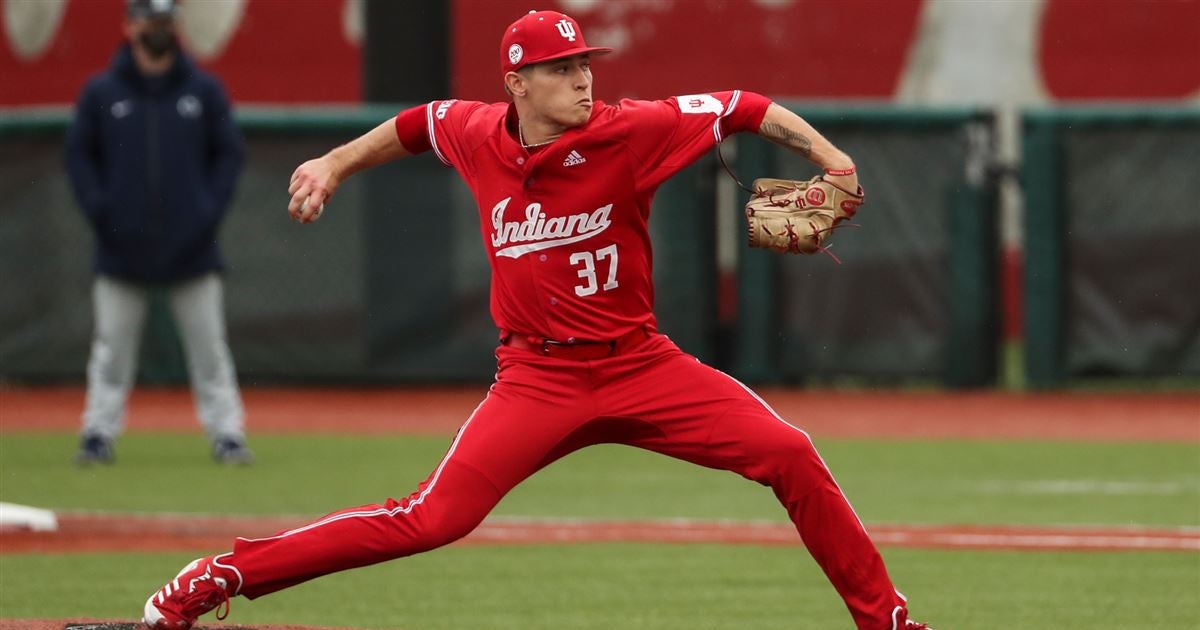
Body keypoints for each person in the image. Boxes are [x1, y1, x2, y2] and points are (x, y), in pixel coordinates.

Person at [141, 10, 932, 630]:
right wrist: (334, 163)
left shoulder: (633, 129)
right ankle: (220, 576)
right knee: (429, 520)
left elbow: (748, 107)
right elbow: (417, 122)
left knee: (791, 453)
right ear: (518, 83)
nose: (583, 80)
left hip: (641, 365)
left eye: (585, 63)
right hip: (537, 378)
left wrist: (834, 162)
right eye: (561, 70)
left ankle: (888, 623)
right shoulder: (478, 132)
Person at [65, 0, 252, 466]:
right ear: (130, 27)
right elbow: (79, 158)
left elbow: (229, 156)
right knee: (111, 348)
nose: (160, 30)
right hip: (121, 246)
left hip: (192, 247)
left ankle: (227, 434)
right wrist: (101, 211)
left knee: (209, 347)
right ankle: (98, 433)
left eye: (167, 22)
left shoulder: (204, 91)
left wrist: (206, 213)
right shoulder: (102, 93)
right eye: (151, 22)